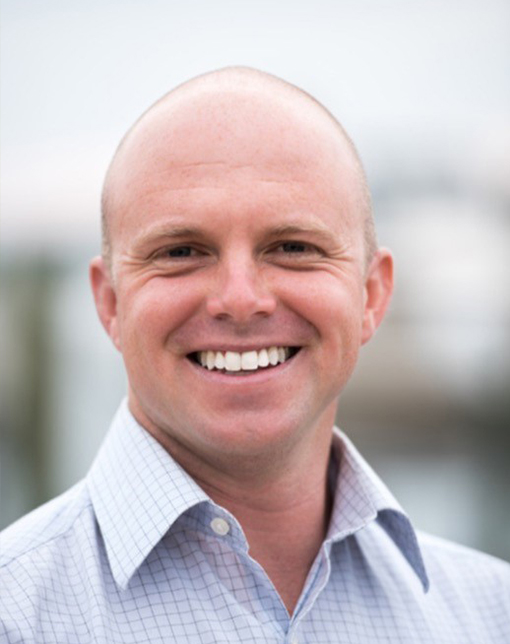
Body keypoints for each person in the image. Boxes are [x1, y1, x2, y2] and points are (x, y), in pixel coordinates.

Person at [1, 67, 508, 644]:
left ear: (371, 295)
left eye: (292, 247)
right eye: (181, 252)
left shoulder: (492, 616)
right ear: (110, 302)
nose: (240, 300)